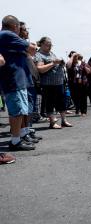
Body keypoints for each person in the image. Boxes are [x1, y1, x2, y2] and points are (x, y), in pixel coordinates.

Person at [0, 15, 37, 151]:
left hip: (15, 79)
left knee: (20, 110)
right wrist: (33, 45)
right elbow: (32, 49)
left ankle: (18, 138)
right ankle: (15, 141)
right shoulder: (8, 35)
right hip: (12, 79)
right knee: (16, 112)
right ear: (15, 26)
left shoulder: (6, 36)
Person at [35, 37, 72, 129]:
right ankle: (52, 122)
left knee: (61, 102)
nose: (50, 46)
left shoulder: (51, 53)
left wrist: (61, 63)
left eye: (51, 44)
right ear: (42, 44)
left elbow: (56, 63)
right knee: (50, 103)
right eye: (48, 44)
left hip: (59, 83)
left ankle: (64, 120)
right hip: (48, 84)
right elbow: (40, 69)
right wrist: (53, 63)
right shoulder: (39, 55)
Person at [19, 21, 42, 142]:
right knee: (26, 108)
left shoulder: (24, 45)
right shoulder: (20, 44)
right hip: (24, 81)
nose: (27, 31)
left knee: (30, 107)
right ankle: (24, 133)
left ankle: (27, 130)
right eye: (24, 29)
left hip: (30, 80)